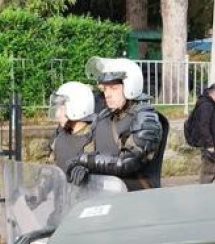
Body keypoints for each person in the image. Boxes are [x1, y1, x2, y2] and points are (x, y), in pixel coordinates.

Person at [65, 57, 164, 191]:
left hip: (138, 199)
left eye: (113, 88)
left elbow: (126, 163)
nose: (107, 94)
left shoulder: (146, 118)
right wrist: (82, 167)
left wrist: (83, 160)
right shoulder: (103, 117)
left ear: (131, 87)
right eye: (105, 89)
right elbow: (90, 151)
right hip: (106, 195)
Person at [48, 81, 95, 173]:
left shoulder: (93, 137)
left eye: (61, 108)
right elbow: (51, 165)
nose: (57, 114)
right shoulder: (59, 134)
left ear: (78, 108)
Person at [189, 82, 215, 184]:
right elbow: (203, 126)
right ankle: (204, 192)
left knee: (214, 169)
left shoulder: (213, 104)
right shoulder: (206, 105)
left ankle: (207, 191)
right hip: (210, 142)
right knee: (208, 171)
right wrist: (209, 144)